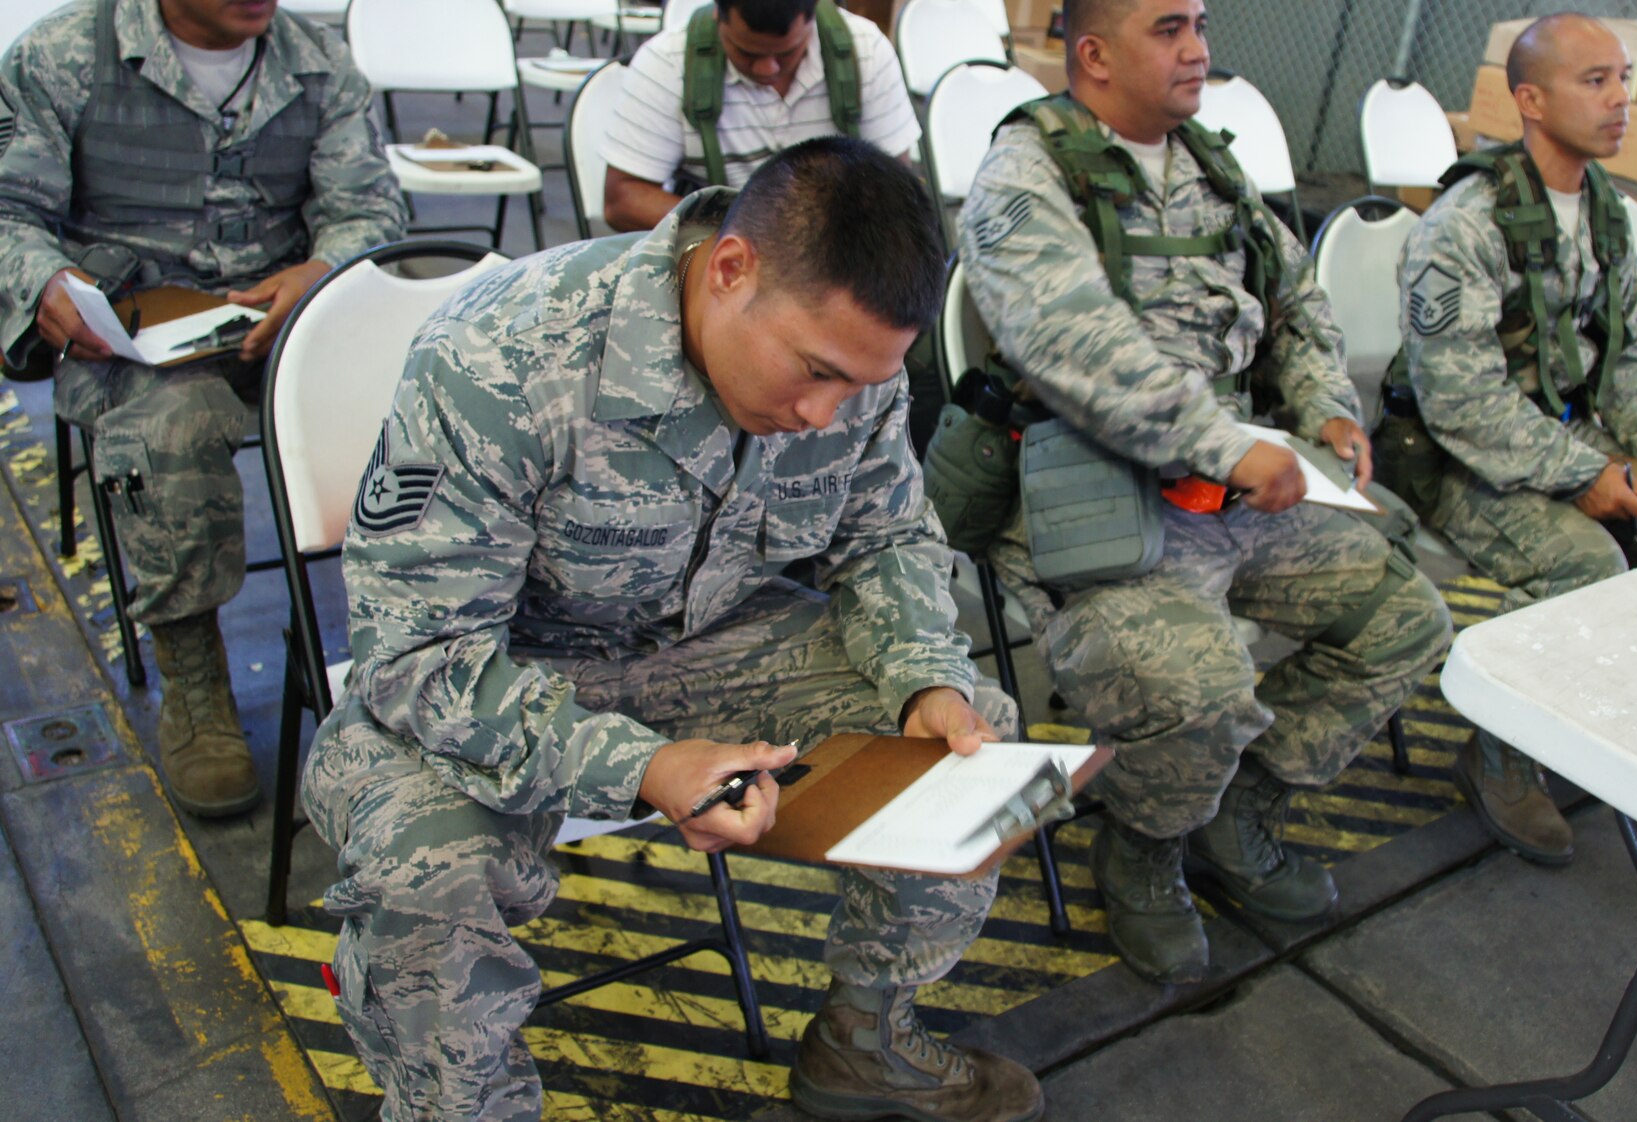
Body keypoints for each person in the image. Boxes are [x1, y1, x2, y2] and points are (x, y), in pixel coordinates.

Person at [302, 139, 1043, 1122]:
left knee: (966, 740)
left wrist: (922, 679)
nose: (825, 411)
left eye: (857, 388)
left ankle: (864, 1033)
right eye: (814, 371)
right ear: (730, 269)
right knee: (419, 870)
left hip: (722, 641)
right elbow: (420, 657)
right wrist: (640, 768)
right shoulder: (506, 352)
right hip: (505, 668)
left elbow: (886, 540)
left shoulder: (852, 365)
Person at [951, 0, 1452, 985]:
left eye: (1200, 25)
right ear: (1091, 55)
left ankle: (1234, 805)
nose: (1198, 50)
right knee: (1200, 686)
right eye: (1168, 29)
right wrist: (1220, 448)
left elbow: (1294, 300)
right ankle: (1140, 847)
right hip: (1093, 508)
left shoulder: (1209, 165)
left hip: (1235, 494)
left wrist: (1323, 409)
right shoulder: (1025, 176)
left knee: (1405, 616)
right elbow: (1072, 346)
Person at [0, 0, 405, 816]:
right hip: (137, 335)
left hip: (286, 322)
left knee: (446, 405)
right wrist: (43, 282)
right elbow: (9, 211)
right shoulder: (62, 56)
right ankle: (193, 676)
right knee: (167, 435)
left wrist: (322, 269)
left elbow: (368, 207)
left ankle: (419, 652)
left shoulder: (318, 62)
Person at [1377, 12, 1637, 866]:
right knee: (1586, 563)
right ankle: (1499, 752)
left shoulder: (1614, 217)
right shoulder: (1466, 224)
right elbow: (1462, 404)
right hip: (1455, 458)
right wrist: (1584, 471)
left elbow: (1630, 351)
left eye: (1624, 78)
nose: (1620, 100)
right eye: (1595, 81)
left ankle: (1586, 709)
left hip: (1561, 433)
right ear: (1528, 99)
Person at [599, 0, 920, 232]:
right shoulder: (667, 63)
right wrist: (743, 226)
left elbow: (895, 188)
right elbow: (621, 200)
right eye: (747, 53)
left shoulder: (864, 50)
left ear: (812, 18)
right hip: (721, 248)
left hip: (834, 247)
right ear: (718, 16)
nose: (767, 68)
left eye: (786, 53)